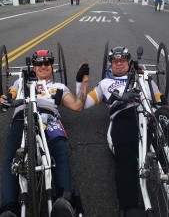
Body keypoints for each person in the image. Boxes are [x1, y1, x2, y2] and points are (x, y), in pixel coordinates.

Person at [0, 50, 89, 217]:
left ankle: (64, 202)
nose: (43, 66)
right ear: (33, 67)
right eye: (39, 63)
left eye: (47, 63)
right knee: (11, 159)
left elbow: (77, 106)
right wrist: (4, 100)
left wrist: (83, 81)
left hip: (50, 120)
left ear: (52, 66)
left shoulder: (58, 87)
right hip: (22, 117)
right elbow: (9, 97)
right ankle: (9, 209)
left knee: (60, 153)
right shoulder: (20, 82)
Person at [83, 46, 161, 217]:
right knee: (126, 155)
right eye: (115, 61)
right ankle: (129, 206)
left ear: (129, 62)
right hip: (124, 116)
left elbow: (160, 100)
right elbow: (84, 103)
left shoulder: (144, 77)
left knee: (163, 149)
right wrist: (81, 83)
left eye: (122, 61)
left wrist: (159, 111)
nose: (118, 64)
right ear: (111, 64)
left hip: (149, 114)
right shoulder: (105, 83)